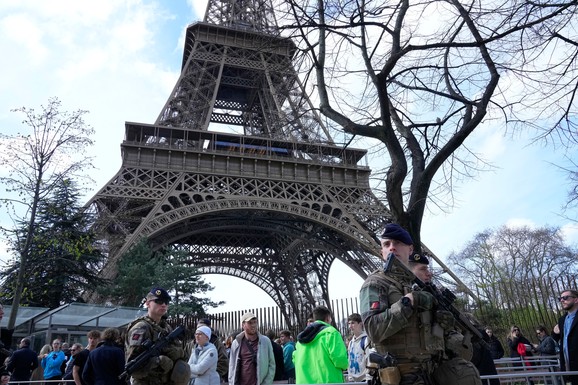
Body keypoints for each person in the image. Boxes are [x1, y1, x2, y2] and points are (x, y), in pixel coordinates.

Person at [361, 223, 466, 385]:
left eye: (397, 243)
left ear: (410, 250)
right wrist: (409, 302)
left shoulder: (420, 286)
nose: (392, 248)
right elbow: (373, 329)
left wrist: (444, 327)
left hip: (432, 374)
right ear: (382, 251)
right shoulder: (376, 283)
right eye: (387, 244)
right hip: (400, 376)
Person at [407, 252, 482, 385]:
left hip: (437, 369)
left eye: (428, 269)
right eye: (423, 269)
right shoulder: (405, 296)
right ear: (409, 271)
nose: (429, 273)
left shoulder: (435, 295)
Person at [125, 287, 188, 385]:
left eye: (166, 302)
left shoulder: (167, 328)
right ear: (147, 303)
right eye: (158, 301)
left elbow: (182, 353)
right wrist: (159, 361)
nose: (163, 305)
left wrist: (178, 352)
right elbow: (134, 368)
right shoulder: (141, 328)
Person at [293, 305, 348, 384]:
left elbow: (295, 360)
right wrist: (345, 365)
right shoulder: (331, 333)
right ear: (328, 318)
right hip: (328, 381)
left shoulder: (301, 340)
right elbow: (340, 359)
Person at [228, 312, 275, 385]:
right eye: (250, 323)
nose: (253, 325)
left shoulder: (265, 341)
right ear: (243, 325)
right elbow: (232, 366)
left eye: (255, 322)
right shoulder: (236, 342)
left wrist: (266, 383)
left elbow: (272, 364)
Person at [552, 289, 578, 385]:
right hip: (568, 366)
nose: (562, 300)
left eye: (565, 298)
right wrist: (554, 333)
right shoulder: (562, 320)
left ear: (576, 300)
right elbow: (558, 340)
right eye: (560, 298)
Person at [346, 313, 370, 383]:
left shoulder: (366, 340)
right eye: (349, 323)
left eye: (353, 323)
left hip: (364, 380)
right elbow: (349, 360)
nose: (350, 326)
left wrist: (368, 379)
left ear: (360, 324)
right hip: (353, 380)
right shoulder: (351, 343)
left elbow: (369, 360)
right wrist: (350, 376)